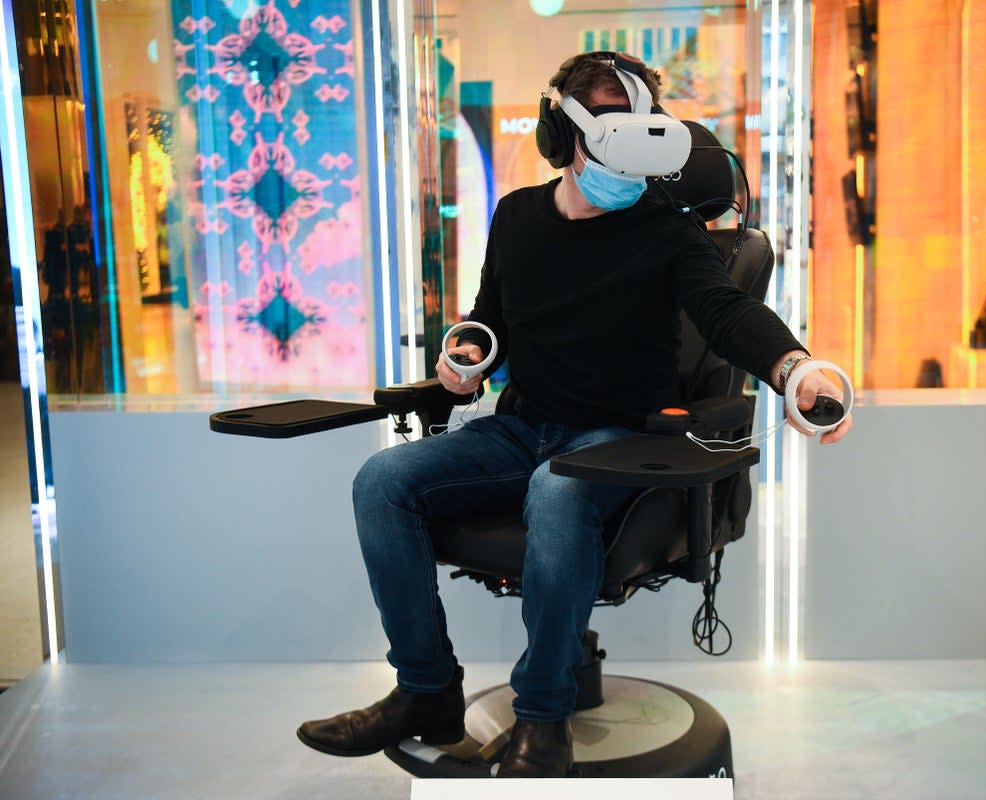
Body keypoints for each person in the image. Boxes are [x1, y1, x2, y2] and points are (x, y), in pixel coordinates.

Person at [296, 51, 853, 778]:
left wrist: (794, 368)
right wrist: (466, 354)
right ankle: (427, 691)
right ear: (563, 134)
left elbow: (727, 313)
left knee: (556, 490)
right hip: (520, 428)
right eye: (611, 132)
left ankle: (543, 715)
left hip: (615, 440)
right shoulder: (517, 216)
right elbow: (487, 320)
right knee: (382, 480)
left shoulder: (669, 229)